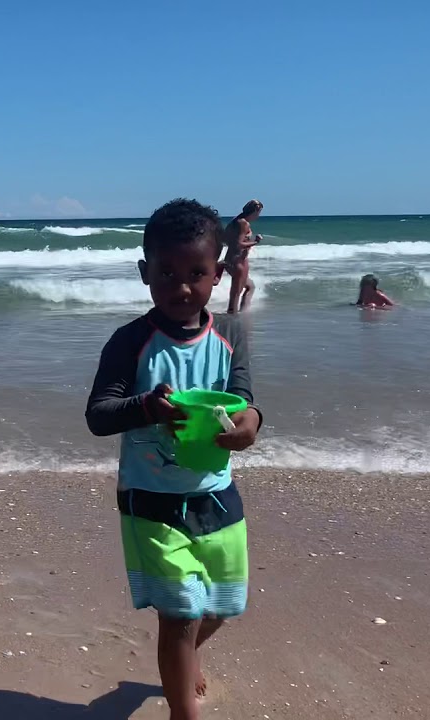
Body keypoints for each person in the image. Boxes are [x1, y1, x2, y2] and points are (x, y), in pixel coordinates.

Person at [85, 198, 262, 720]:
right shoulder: (130, 342)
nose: (181, 286)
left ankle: (179, 661)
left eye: (196, 273)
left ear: (219, 274)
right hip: (152, 501)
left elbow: (246, 400)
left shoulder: (231, 336)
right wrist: (145, 406)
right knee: (179, 613)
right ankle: (183, 703)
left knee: (221, 605)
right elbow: (99, 415)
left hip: (216, 495)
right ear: (145, 273)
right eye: (166, 272)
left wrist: (251, 425)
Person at [222, 200, 263, 313]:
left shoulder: (234, 221)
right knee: (236, 295)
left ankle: (242, 314)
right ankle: (234, 320)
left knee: (249, 287)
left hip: (230, 259)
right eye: (259, 213)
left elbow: (225, 239)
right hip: (238, 261)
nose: (258, 216)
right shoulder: (244, 223)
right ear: (255, 211)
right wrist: (255, 241)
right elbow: (239, 244)